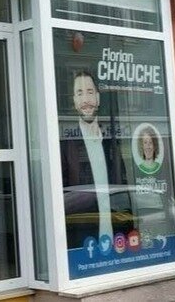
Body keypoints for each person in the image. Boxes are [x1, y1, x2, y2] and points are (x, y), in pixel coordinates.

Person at [61, 70, 125, 248]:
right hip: (83, 227)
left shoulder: (111, 139)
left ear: (97, 98)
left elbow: (121, 180)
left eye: (90, 92)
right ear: (74, 101)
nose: (86, 100)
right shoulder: (66, 143)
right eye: (80, 93)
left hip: (115, 222)